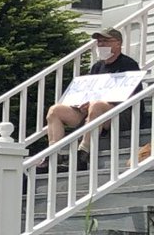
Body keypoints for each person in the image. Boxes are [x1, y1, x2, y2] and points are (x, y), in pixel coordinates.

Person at [46, 27, 142, 160]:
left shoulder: (128, 65)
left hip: (122, 114)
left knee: (97, 105)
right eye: (99, 42)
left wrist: (96, 102)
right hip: (92, 113)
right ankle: (52, 154)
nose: (101, 45)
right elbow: (89, 90)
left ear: (118, 43)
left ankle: (83, 151)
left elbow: (132, 96)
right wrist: (81, 103)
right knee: (55, 110)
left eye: (105, 41)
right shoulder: (97, 67)